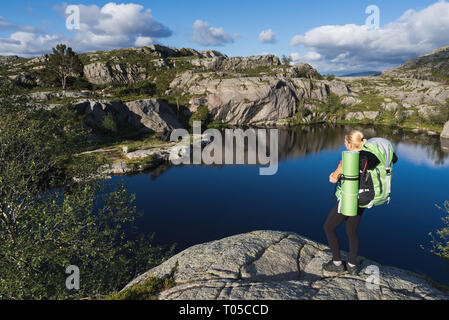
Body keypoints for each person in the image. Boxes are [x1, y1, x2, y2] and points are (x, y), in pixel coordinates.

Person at [323, 130, 397, 275]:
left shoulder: (349, 159)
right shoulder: (371, 154)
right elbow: (394, 159)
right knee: (351, 230)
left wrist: (333, 176)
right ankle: (352, 265)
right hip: (365, 197)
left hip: (351, 197)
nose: (344, 146)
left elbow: (333, 177)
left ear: (350, 144)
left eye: (345, 144)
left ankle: (337, 263)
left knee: (328, 227)